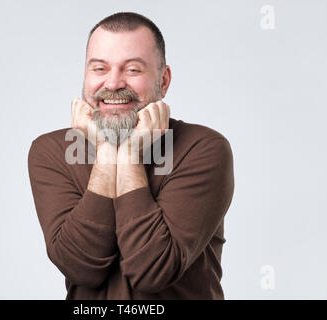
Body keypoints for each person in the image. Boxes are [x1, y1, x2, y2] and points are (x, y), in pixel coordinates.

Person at [28, 12, 234, 299]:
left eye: (133, 70)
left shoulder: (203, 148)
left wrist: (127, 155)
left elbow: (152, 271)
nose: (112, 84)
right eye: (99, 69)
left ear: (163, 81)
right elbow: (80, 268)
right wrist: (108, 153)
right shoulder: (52, 151)